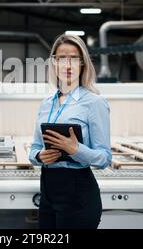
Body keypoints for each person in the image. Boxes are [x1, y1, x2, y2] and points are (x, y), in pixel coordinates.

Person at [28, 34, 112, 229]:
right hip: (47, 190)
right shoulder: (46, 103)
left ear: (82, 63)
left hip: (78, 193)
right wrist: (40, 156)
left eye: (74, 58)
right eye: (61, 58)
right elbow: (34, 149)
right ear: (54, 63)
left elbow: (104, 158)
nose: (68, 65)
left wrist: (76, 150)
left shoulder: (94, 102)